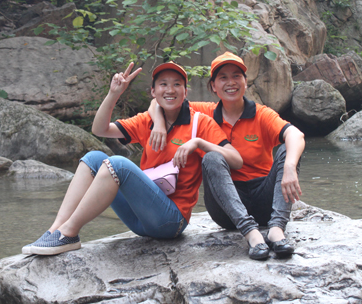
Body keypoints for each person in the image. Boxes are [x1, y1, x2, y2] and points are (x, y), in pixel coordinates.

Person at [21, 61, 243, 256]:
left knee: (119, 164)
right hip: (139, 219)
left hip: (170, 221)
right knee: (93, 157)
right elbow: (100, 129)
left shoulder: (200, 123)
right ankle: (56, 231)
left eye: (177, 84)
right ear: (153, 91)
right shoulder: (146, 121)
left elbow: (236, 159)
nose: (170, 89)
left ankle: (69, 232)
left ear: (185, 92)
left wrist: (199, 143)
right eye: (163, 84)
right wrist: (114, 93)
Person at [149, 52, 305, 260]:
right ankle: (251, 233)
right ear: (213, 86)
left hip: (264, 199)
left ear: (245, 82)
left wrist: (289, 167)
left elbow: (296, 135)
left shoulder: (261, 114)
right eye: (223, 77)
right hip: (226, 207)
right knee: (211, 158)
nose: (230, 82)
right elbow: (160, 102)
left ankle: (276, 230)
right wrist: (159, 123)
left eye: (236, 76)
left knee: (289, 150)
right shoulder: (203, 113)